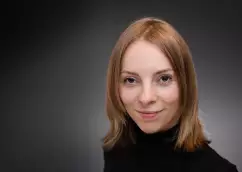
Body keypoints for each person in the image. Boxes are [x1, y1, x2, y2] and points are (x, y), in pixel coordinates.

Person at [102, 17, 238, 172]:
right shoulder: (115, 151)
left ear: (185, 85)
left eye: (164, 78)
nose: (146, 98)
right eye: (131, 80)